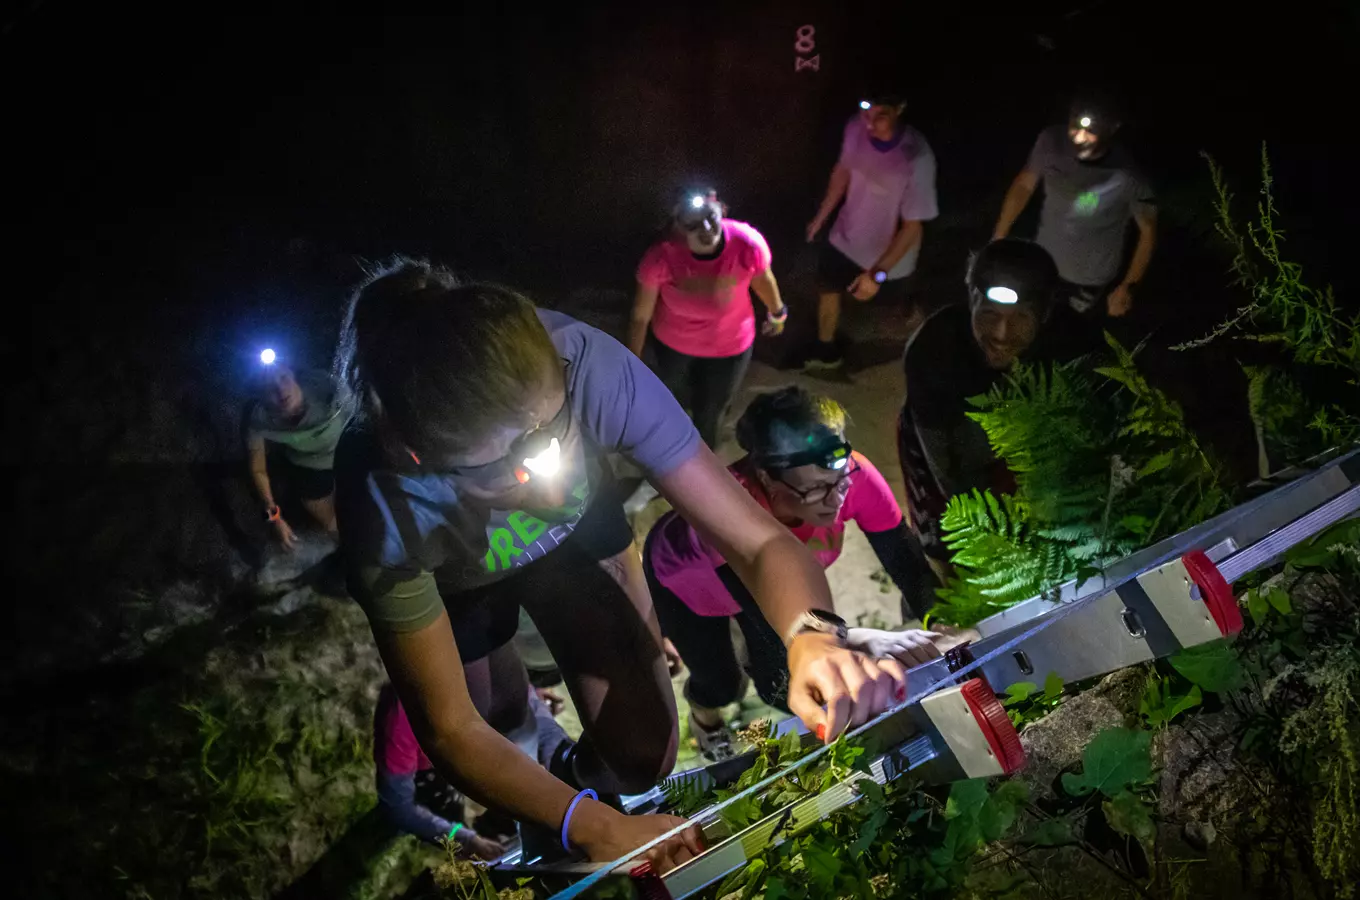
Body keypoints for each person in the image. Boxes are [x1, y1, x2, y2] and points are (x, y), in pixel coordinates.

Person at [333, 258, 909, 872]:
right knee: (498, 721)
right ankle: (543, 796)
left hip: (579, 542)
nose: (550, 489)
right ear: (421, 457)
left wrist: (812, 635)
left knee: (645, 752)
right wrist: (591, 827)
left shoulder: (590, 367)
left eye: (556, 434)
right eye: (508, 473)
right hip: (458, 577)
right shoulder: (384, 502)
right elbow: (448, 728)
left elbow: (760, 542)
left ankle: (566, 775)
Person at [645, 386, 942, 760]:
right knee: (724, 683)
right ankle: (704, 719)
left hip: (760, 586)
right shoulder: (732, 507)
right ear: (768, 478)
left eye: (840, 482)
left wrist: (941, 622)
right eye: (816, 490)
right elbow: (766, 625)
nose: (836, 499)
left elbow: (904, 557)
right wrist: (852, 639)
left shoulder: (851, 475)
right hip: (686, 582)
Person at [897, 238, 1091, 571]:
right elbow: (947, 469)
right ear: (971, 300)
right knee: (947, 546)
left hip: (1028, 445)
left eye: (1020, 318)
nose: (1001, 334)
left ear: (1045, 313)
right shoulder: (935, 349)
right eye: (988, 314)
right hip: (944, 444)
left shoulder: (1073, 350)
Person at [629, 189, 787, 449]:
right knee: (671, 402)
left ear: (722, 211)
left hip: (730, 347)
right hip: (673, 346)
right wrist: (631, 361)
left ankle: (705, 466)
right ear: (676, 227)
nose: (705, 227)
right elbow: (640, 316)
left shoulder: (746, 242)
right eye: (691, 223)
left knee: (711, 411)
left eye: (710, 217)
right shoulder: (660, 258)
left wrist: (778, 313)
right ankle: (668, 454)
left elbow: (762, 279)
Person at [803, 90, 939, 370]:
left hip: (891, 257)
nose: (869, 124)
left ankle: (912, 329)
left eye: (881, 116)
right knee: (828, 288)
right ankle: (825, 349)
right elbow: (843, 170)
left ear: (899, 109)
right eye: (866, 112)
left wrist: (877, 273)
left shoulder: (917, 157)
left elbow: (913, 227)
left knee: (891, 310)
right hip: (846, 236)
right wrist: (821, 216)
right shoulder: (856, 127)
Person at [992, 95, 1157, 319]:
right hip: (1042, 264)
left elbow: (1148, 231)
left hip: (1087, 282)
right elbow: (1023, 185)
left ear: (1113, 128)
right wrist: (998, 237)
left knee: (1065, 335)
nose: (1079, 138)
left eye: (1091, 131)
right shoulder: (1050, 142)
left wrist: (1128, 286)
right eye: (1074, 127)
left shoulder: (1128, 174)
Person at [374, 682, 514, 859]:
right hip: (427, 774)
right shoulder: (402, 725)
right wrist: (464, 838)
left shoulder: (482, 677)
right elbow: (398, 807)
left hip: (439, 758)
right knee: (445, 813)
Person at [243, 355, 348, 549]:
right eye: (269, 387)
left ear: (293, 375)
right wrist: (274, 517)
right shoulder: (259, 419)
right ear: (261, 395)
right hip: (309, 466)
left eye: (283, 378)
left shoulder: (327, 389)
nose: (280, 390)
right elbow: (258, 469)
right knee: (334, 524)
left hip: (347, 451)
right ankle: (351, 553)